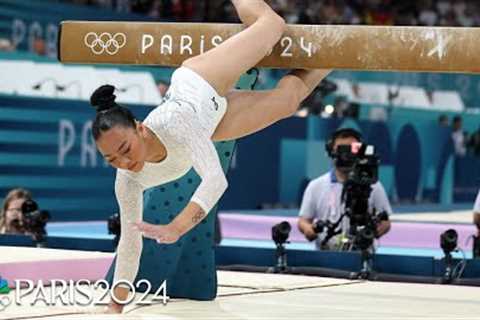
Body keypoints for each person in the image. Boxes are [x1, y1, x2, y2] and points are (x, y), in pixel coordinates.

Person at [89, 0, 331, 313]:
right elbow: (130, 244)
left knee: (272, 26)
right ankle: (330, 58)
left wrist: (177, 226)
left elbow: (215, 180)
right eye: (111, 160)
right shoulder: (128, 181)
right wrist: (115, 307)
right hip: (213, 123)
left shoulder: (175, 122)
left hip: (200, 82)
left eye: (124, 149)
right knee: (287, 102)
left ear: (140, 129)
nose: (123, 163)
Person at [297, 128, 392, 250]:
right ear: (331, 152)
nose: (347, 155)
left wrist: (373, 233)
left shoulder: (373, 185)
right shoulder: (316, 186)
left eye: (351, 149)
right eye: (342, 150)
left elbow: (386, 222)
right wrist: (309, 230)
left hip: (362, 256)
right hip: (326, 256)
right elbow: (303, 220)